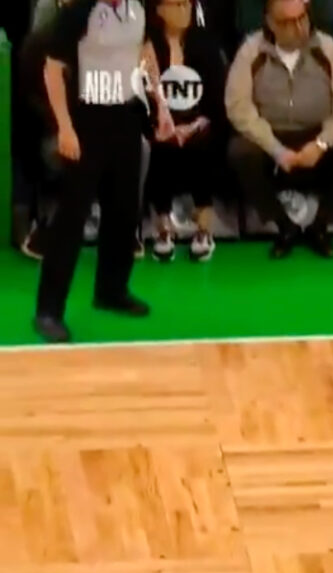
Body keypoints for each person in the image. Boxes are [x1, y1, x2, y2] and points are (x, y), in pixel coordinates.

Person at [35, 0, 176, 345]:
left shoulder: (138, 7)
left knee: (124, 209)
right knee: (72, 216)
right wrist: (65, 128)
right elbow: (52, 70)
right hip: (87, 117)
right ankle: (48, 310)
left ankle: (111, 291)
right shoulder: (78, 10)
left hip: (126, 114)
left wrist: (161, 104)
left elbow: (146, 51)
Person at [226, 0, 333, 260]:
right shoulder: (251, 50)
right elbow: (238, 107)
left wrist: (322, 143)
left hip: (317, 136)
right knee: (240, 151)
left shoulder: (325, 47)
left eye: (302, 18)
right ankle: (284, 227)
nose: (299, 27)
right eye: (289, 22)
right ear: (271, 23)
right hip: (271, 137)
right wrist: (276, 149)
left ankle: (321, 227)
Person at [146, 0, 227, 261]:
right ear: (159, 10)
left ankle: (204, 228)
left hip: (199, 122)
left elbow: (216, 97)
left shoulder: (205, 43)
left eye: (187, 4)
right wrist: (159, 126)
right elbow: (141, 93)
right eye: (177, 4)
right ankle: (163, 228)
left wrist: (193, 125)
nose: (184, 10)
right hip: (160, 124)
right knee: (159, 148)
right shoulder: (148, 45)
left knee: (202, 144)